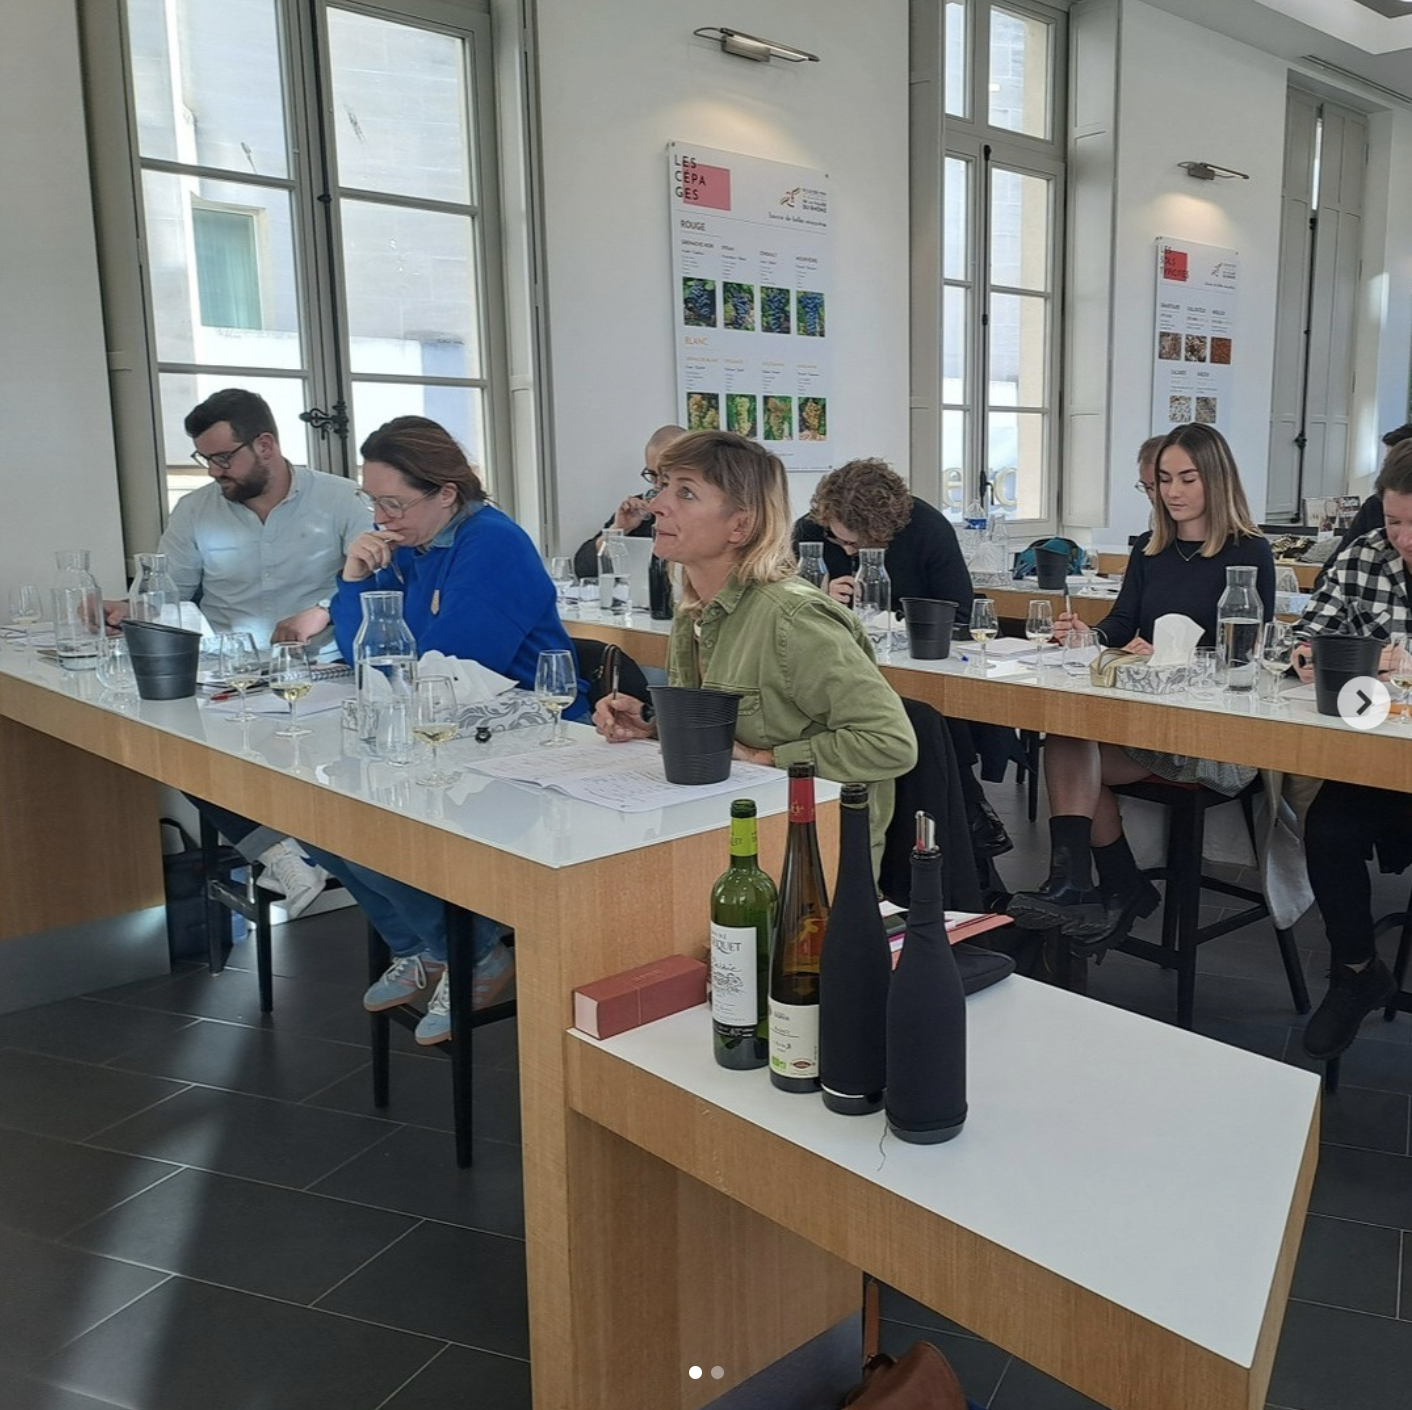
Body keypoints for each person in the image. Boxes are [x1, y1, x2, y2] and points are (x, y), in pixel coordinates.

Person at [300, 415, 585, 1044]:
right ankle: (427, 946)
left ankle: (473, 950)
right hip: (449, 728)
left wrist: (388, 644)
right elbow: (364, 652)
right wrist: (355, 578)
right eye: (373, 502)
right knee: (315, 817)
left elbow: (445, 668)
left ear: (447, 493)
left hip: (531, 734)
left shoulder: (492, 544)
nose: (381, 518)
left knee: (371, 818)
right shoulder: (411, 545)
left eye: (394, 503)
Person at [1009, 423, 1275, 951]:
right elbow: (1122, 621)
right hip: (1145, 714)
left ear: (1216, 480)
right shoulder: (1151, 551)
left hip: (1209, 728)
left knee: (1072, 757)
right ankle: (1081, 881)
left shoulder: (1249, 552)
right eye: (1164, 480)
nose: (1172, 492)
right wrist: (1089, 636)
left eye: (1187, 479)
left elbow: (1245, 656)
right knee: (1065, 737)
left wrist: (1173, 653)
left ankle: (1114, 884)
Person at [593, 431, 917, 865]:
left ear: (740, 526)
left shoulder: (793, 620)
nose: (657, 505)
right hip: (726, 830)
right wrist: (653, 726)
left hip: (809, 857)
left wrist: (765, 758)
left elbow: (890, 742)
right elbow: (727, 734)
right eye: (662, 485)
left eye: (686, 492)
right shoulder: (693, 611)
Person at [108, 389, 371, 917]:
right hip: (233, 678)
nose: (213, 471)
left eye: (224, 458)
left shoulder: (342, 499)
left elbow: (378, 579)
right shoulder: (195, 511)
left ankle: (334, 861)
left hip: (325, 674)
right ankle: (282, 854)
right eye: (204, 458)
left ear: (265, 445)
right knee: (177, 748)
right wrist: (125, 609)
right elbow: (167, 593)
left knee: (337, 757)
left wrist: (324, 611)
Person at [792, 457, 1012, 861]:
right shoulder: (811, 531)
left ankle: (960, 830)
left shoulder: (927, 529)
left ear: (883, 531)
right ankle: (965, 823)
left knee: (925, 718)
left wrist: (894, 619)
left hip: (914, 661)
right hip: (837, 665)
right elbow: (786, 605)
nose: (847, 551)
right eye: (839, 542)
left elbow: (961, 614)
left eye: (857, 545)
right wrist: (818, 597)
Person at [1290, 436, 1412, 1059]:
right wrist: (1308, 655)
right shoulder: (1365, 556)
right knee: (1328, 828)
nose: (1404, 539)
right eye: (1394, 522)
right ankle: (1357, 972)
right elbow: (1306, 634)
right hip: (1379, 758)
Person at [571, 424, 687, 579]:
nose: (658, 484)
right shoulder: (641, 509)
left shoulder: (702, 510)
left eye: (665, 475)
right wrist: (619, 529)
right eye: (652, 475)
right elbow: (584, 570)